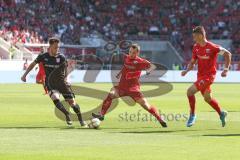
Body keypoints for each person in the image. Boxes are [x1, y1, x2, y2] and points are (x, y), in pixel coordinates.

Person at [92, 43, 167, 127]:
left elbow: (153, 66)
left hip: (133, 89)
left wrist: (148, 70)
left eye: (133, 53)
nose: (131, 54)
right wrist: (120, 73)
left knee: (145, 105)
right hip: (122, 87)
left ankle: (160, 118)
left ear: (137, 53)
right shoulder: (127, 58)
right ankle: (102, 114)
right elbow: (125, 66)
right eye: (130, 52)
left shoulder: (140, 61)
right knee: (111, 94)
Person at [21, 37, 85, 126]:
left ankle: (81, 120)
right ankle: (67, 114)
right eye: (55, 47)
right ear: (50, 47)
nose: (57, 49)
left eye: (58, 47)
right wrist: (24, 75)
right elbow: (32, 64)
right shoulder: (43, 56)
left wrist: (67, 79)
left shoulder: (61, 57)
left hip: (62, 83)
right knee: (55, 97)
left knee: (72, 103)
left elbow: (66, 69)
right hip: (50, 83)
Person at [181, 26, 232, 127]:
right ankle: (221, 113)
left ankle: (192, 115)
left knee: (189, 91)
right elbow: (193, 62)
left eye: (195, 36)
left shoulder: (212, 47)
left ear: (201, 35)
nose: (193, 38)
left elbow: (228, 54)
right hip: (200, 76)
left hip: (209, 76)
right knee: (207, 98)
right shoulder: (196, 47)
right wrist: (186, 71)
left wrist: (226, 69)